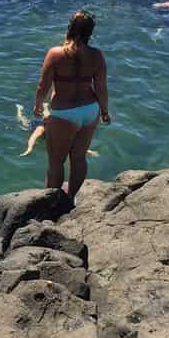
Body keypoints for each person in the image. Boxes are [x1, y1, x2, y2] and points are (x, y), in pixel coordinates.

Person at [33, 10, 109, 201]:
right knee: (79, 158)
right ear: (90, 32)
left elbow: (43, 85)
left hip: (63, 114)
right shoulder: (97, 55)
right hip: (90, 110)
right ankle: (71, 199)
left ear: (70, 28)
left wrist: (38, 105)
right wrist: (105, 112)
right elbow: (101, 88)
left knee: (56, 162)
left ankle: (51, 202)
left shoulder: (55, 53)